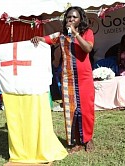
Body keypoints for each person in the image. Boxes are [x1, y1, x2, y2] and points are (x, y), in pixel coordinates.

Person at [31, 6, 95, 153]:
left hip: (84, 78)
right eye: (69, 17)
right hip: (67, 78)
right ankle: (76, 142)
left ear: (80, 19)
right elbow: (46, 39)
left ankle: (88, 138)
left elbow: (88, 49)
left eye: (74, 17)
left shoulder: (87, 32)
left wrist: (76, 34)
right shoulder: (61, 35)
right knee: (70, 110)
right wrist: (37, 38)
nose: (71, 19)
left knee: (86, 110)